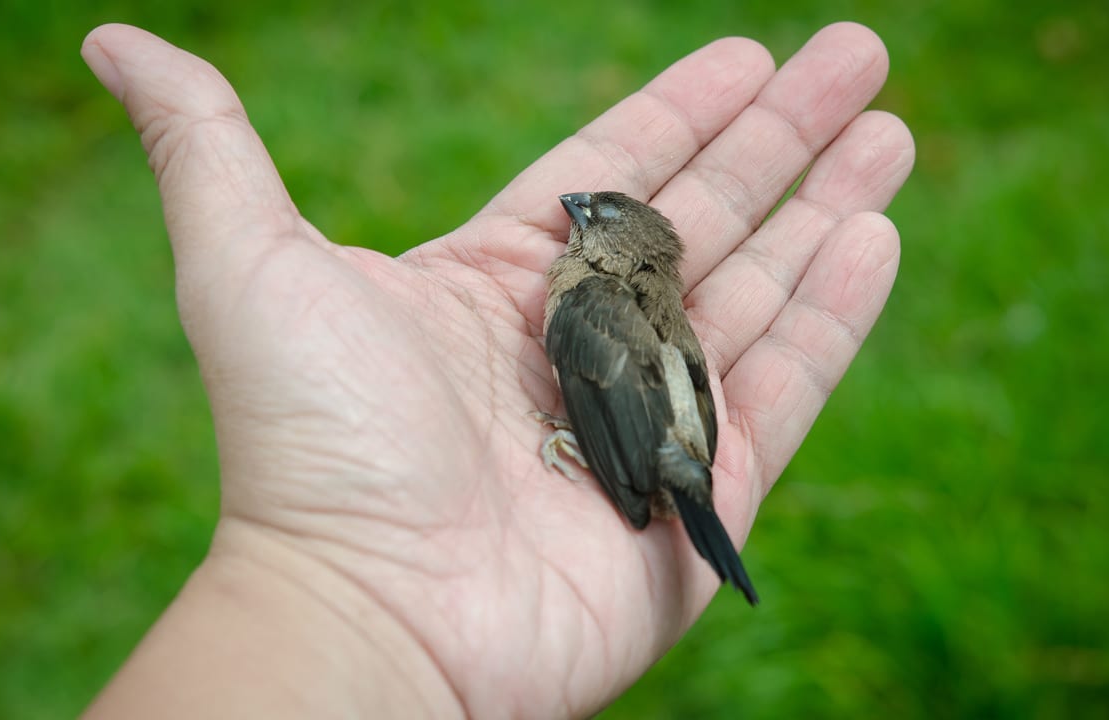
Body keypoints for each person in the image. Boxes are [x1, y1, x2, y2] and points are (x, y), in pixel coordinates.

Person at [79, 21, 914, 719]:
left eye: (594, 215)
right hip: (679, 455)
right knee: (668, 466)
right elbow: (675, 388)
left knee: (655, 456)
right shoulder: (652, 311)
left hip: (657, 454)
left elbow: (623, 403)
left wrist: (632, 473)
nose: (575, 213)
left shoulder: (590, 303)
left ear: (619, 245)